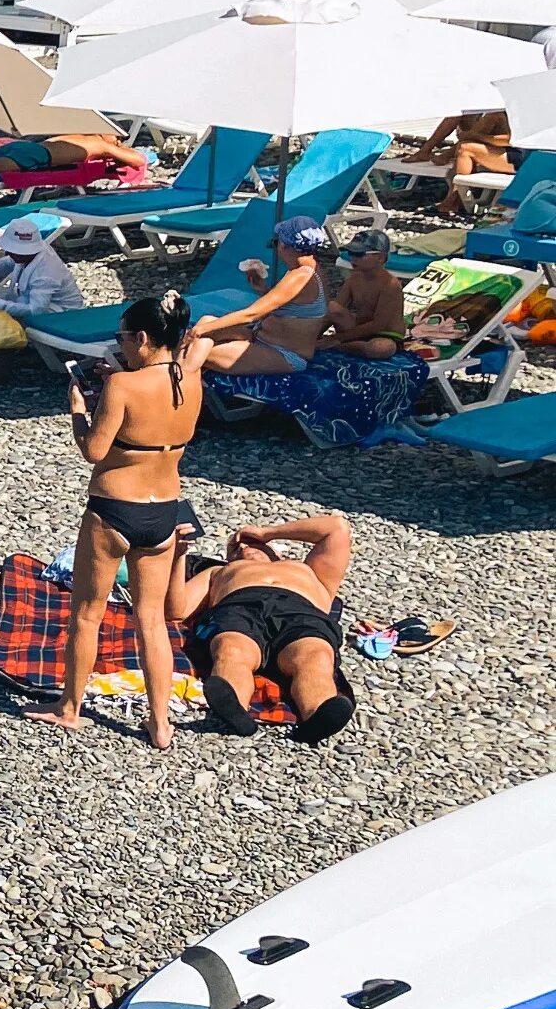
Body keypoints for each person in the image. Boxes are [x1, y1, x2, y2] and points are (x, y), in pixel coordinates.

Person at [26, 291, 208, 750]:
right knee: (151, 618)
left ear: (143, 338)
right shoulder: (191, 378)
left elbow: (94, 450)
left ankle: (68, 708)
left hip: (115, 508)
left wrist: (78, 408)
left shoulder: (123, 387)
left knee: (88, 613)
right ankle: (161, 723)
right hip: (165, 507)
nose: (120, 345)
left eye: (124, 337)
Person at [170, 514, 358, 743]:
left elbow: (336, 528)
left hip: (300, 611)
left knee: (315, 657)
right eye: (235, 547)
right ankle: (235, 711)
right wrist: (179, 557)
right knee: (231, 650)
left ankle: (317, 717)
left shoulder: (309, 570)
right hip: (239, 607)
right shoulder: (218, 572)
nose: (243, 546)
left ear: (276, 552)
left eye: (252, 543)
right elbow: (176, 611)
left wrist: (266, 532)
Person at [194, 216, 332, 377]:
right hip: (263, 339)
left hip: (283, 353)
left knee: (195, 349)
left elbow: (250, 315)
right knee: (207, 322)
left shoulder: (300, 276)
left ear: (284, 245)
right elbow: (292, 309)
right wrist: (263, 290)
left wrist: (199, 331)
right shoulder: (310, 268)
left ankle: (176, 395)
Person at [0, 215, 85, 315]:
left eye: (13, 251)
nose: (8, 252)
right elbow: (10, 261)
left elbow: (35, 310)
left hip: (61, 313)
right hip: (34, 301)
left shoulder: (46, 275)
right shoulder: (31, 253)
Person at [0, 131, 151, 182]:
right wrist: (120, 150)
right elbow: (140, 160)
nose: (117, 141)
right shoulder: (101, 144)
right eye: (117, 138)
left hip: (25, 146)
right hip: (38, 155)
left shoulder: (76, 135)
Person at [321, 228, 407, 358]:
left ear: (380, 257)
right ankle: (317, 343)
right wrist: (314, 335)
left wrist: (336, 338)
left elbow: (379, 324)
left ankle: (339, 346)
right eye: (351, 253)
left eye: (359, 254)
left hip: (386, 334)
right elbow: (334, 310)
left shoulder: (390, 285)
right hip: (359, 329)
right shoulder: (353, 278)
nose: (352, 259)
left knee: (382, 348)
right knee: (332, 307)